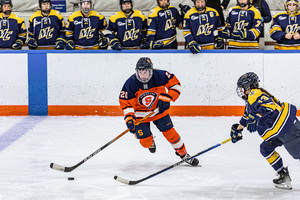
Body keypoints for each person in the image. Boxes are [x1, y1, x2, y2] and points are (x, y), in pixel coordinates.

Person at [119, 57, 199, 166]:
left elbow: (176, 85)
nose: (142, 75)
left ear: (151, 71)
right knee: (145, 143)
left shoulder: (161, 76)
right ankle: (149, 139)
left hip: (159, 111)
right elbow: (126, 103)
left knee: (171, 135)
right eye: (140, 72)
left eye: (145, 72)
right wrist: (129, 119)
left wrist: (167, 98)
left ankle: (184, 155)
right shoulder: (131, 83)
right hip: (140, 116)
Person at [230, 72, 300, 190]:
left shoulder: (254, 94)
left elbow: (272, 108)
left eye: (242, 89)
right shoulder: (251, 98)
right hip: (278, 131)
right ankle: (283, 175)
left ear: (248, 87)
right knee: (265, 149)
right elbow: (247, 115)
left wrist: (257, 115)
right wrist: (238, 129)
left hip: (288, 129)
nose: (241, 91)